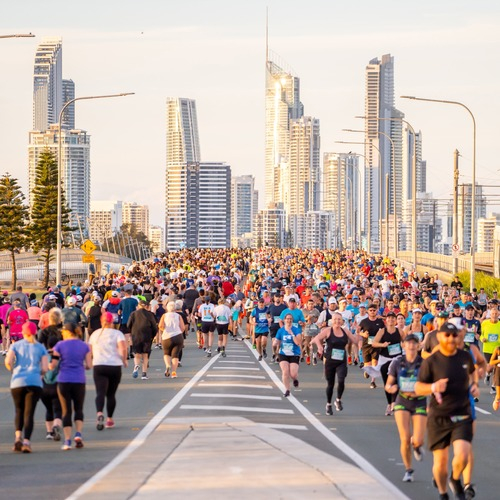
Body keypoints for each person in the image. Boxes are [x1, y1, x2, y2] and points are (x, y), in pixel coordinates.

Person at [415, 322, 479, 500]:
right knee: (441, 463)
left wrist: (474, 385)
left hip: (462, 412)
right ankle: (443, 493)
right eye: (447, 335)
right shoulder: (432, 361)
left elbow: (473, 373)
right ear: (440, 337)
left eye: (454, 335)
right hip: (439, 416)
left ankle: (455, 478)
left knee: (463, 455)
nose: (451, 338)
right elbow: (419, 387)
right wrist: (434, 386)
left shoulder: (465, 357)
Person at [385, 334, 427, 483]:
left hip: (419, 401)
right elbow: (388, 384)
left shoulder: (424, 363)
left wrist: (422, 390)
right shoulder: (397, 362)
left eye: (414, 343)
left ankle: (416, 445)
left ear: (418, 346)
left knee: (418, 439)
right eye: (408, 343)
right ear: (403, 345)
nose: (411, 346)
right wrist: (392, 387)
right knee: (404, 438)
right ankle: (408, 470)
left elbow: (431, 385)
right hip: (402, 401)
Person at [5, 322, 48, 453]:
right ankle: (27, 442)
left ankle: (18, 437)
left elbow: (8, 361)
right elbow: (45, 368)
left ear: (23, 332)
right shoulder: (40, 347)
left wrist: (13, 370)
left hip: (18, 381)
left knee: (19, 410)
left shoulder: (16, 345)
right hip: (34, 382)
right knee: (29, 413)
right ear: (35, 332)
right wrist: (39, 374)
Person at [50, 323, 92, 451]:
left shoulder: (59, 345)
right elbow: (89, 365)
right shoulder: (85, 346)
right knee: (78, 408)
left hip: (63, 379)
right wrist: (81, 366)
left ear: (67, 332)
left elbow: (53, 365)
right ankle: (78, 434)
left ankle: (67, 441)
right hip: (79, 379)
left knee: (66, 410)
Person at [312, 312, 357, 414]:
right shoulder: (328, 330)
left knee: (341, 380)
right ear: (332, 321)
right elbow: (316, 339)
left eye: (339, 319)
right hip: (330, 361)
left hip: (341, 361)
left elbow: (355, 340)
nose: (337, 321)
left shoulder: (346, 331)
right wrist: (319, 346)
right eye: (335, 319)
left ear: (342, 321)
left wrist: (359, 334)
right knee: (330, 384)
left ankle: (338, 400)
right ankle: (328, 404)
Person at [89, 312, 128, 430]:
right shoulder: (117, 334)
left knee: (100, 392)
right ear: (112, 322)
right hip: (114, 365)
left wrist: (90, 360)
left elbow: (89, 350)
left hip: (99, 365)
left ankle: (99, 413)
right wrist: (124, 360)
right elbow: (123, 348)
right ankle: (109, 419)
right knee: (111, 394)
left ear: (101, 321)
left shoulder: (95, 334)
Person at [38, 308, 64, 441]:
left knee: (48, 407)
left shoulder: (44, 331)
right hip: (60, 366)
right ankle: (57, 424)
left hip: (46, 361)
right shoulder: (62, 332)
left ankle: (49, 431)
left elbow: (39, 344)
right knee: (58, 405)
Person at [372, 312, 403, 416]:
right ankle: (389, 404)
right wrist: (382, 344)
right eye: (389, 318)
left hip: (397, 359)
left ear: (395, 321)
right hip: (385, 359)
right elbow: (374, 343)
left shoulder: (400, 331)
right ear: (386, 320)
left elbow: (407, 341)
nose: (391, 320)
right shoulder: (382, 331)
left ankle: (394, 402)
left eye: (393, 318)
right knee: (387, 383)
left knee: (396, 382)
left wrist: (404, 345)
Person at [273, 313, 302, 397]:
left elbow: (298, 342)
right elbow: (277, 341)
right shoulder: (281, 330)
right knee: (285, 372)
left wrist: (291, 333)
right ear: (284, 320)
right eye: (287, 319)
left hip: (294, 353)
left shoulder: (296, 330)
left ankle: (295, 379)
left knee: (293, 374)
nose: (289, 320)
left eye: (290, 319)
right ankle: (287, 390)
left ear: (292, 320)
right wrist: (275, 342)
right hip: (283, 353)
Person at [128, 301, 158, 379]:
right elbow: (154, 327)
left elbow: (128, 325)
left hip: (136, 335)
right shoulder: (150, 314)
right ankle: (144, 374)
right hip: (147, 336)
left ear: (138, 306)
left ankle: (136, 366)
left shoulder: (133, 314)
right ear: (146, 306)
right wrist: (153, 335)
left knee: (137, 354)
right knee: (145, 355)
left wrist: (131, 332)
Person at [158, 301, 185, 378]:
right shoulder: (178, 316)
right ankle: (174, 372)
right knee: (175, 355)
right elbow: (183, 327)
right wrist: (179, 332)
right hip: (178, 336)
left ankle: (167, 365)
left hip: (167, 337)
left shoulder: (164, 315)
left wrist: (165, 330)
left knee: (166, 353)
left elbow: (160, 325)